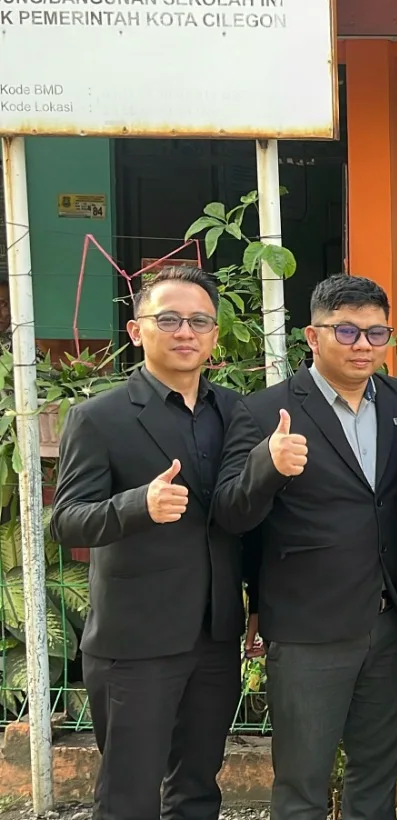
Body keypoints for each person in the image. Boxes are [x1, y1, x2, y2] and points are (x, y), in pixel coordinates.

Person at [214, 274, 397, 820]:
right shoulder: (264, 411)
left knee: (377, 780)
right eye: (347, 331)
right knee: (302, 785)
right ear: (313, 336)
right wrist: (267, 466)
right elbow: (232, 515)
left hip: (391, 620)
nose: (364, 346)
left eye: (377, 333)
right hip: (308, 628)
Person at [52, 266, 249, 820]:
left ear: (214, 335)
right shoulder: (99, 418)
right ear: (137, 331)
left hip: (214, 636)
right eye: (169, 319)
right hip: (135, 642)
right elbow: (67, 520)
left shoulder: (235, 411)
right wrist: (138, 505)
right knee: (129, 796)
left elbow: (244, 515)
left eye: (199, 321)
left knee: (198, 789)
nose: (185, 331)